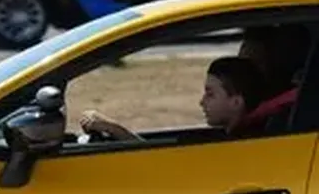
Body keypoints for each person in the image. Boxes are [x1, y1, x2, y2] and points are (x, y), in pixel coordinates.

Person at [79, 55, 267, 141]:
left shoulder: (240, 146)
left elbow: (156, 165)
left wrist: (113, 128)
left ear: (236, 102)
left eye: (210, 94)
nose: (202, 102)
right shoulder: (230, 138)